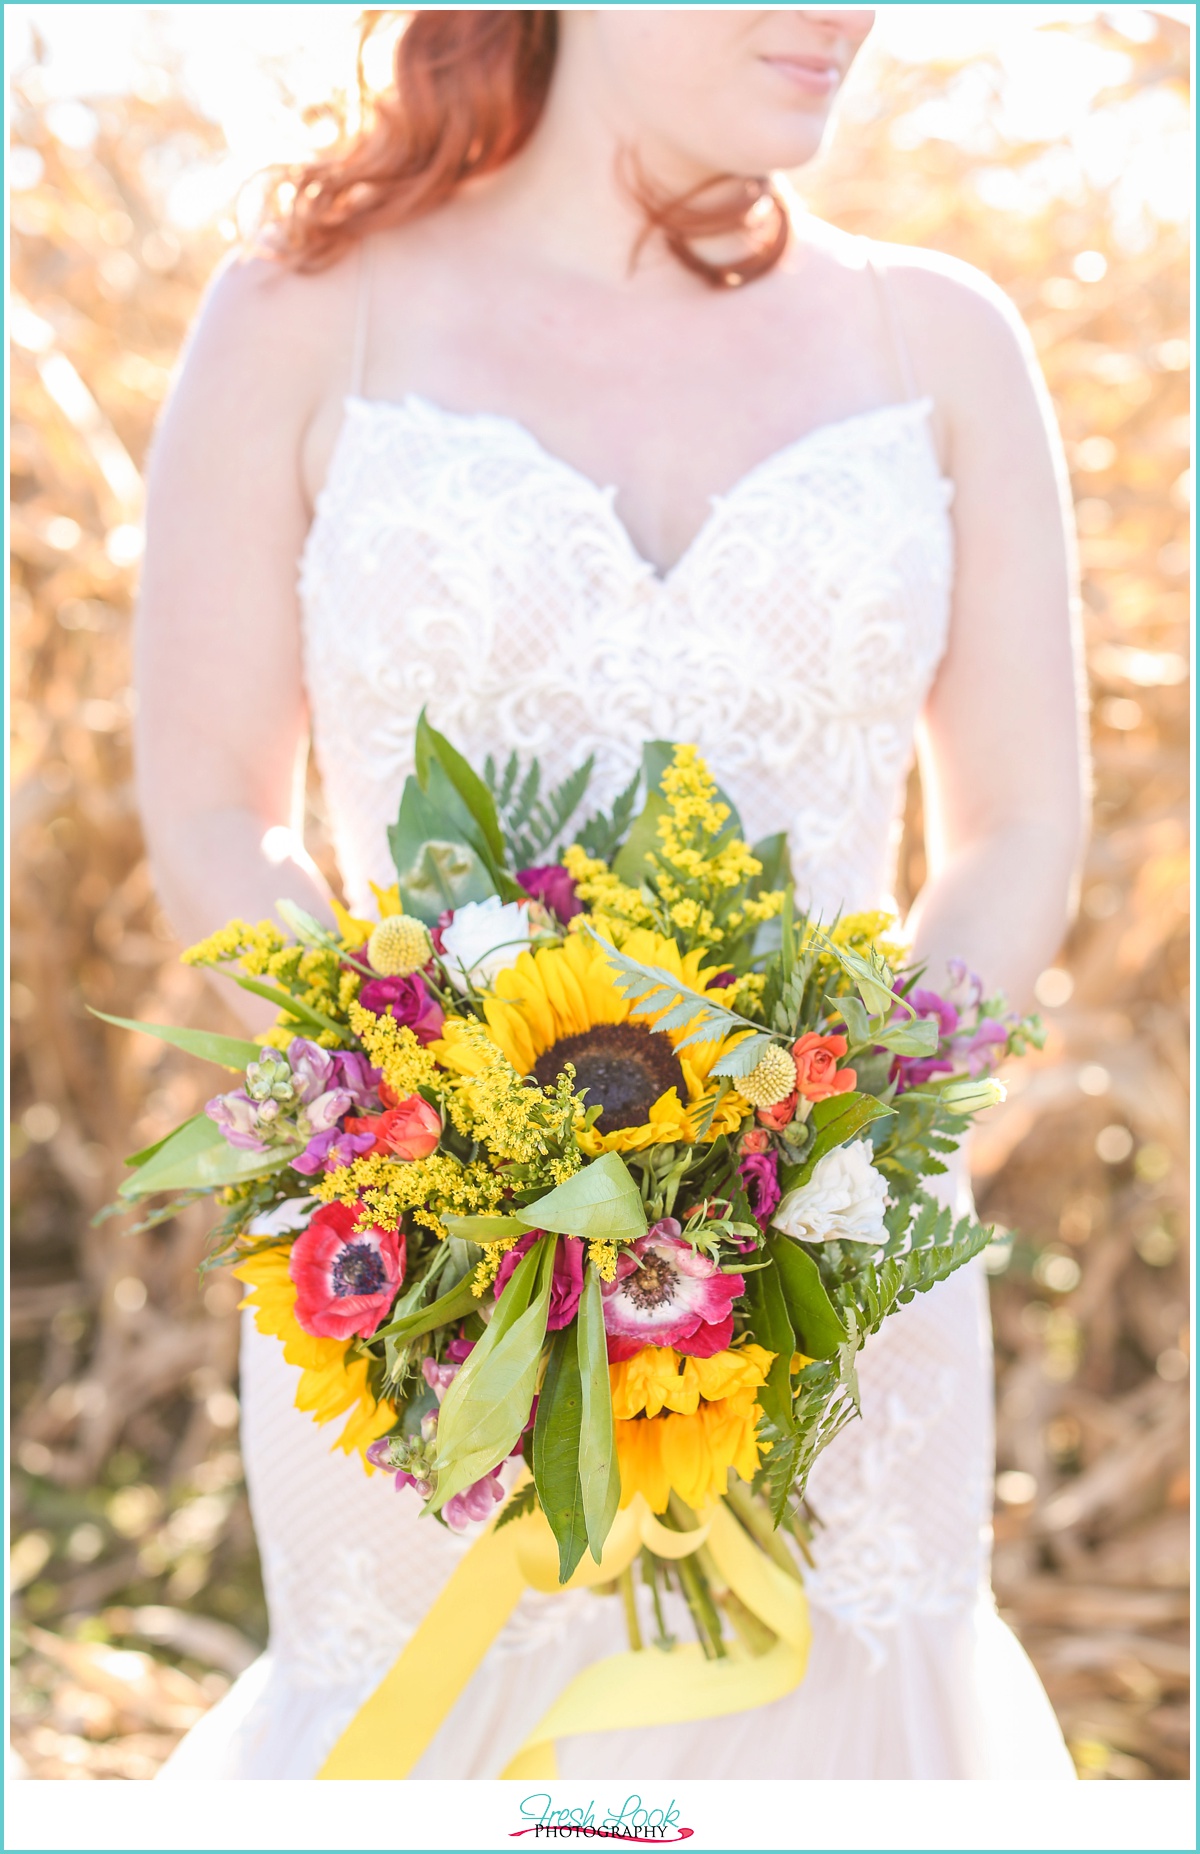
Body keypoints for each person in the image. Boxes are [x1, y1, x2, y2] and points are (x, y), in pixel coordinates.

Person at [138, 9, 1085, 1779]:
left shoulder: (940, 337)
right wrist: (432, 1171)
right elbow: (209, 799)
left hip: (841, 1297)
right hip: (418, 1318)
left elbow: (1017, 826)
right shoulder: (299, 312)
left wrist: (827, 1157)